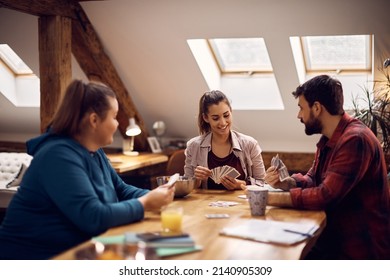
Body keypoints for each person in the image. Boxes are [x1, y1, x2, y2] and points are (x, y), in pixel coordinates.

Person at [0, 80, 175, 260]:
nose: (117, 125)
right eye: (114, 117)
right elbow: (93, 217)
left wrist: (158, 195)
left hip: (81, 249)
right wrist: (145, 203)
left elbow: (121, 189)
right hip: (38, 259)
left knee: (175, 245)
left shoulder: (95, 151)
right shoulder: (57, 156)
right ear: (94, 120)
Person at [264, 75, 390, 259]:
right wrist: (286, 183)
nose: (298, 115)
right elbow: (313, 180)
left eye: (301, 107)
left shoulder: (355, 140)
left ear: (316, 108)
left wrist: (271, 199)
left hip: (359, 250)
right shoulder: (329, 139)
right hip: (334, 239)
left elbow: (325, 196)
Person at [184, 90, 266, 190]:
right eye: (215, 118)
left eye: (226, 115)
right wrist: (197, 180)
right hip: (205, 204)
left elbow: (262, 183)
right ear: (205, 118)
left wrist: (240, 184)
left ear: (231, 112)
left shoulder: (250, 144)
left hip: (241, 204)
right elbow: (186, 187)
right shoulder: (193, 146)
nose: (223, 123)